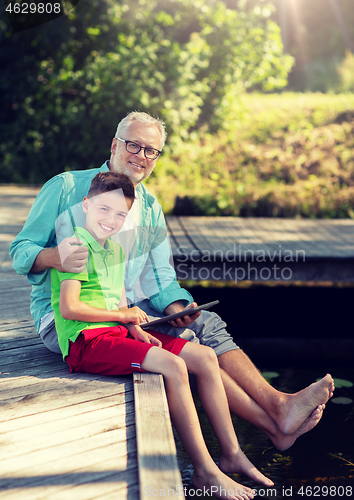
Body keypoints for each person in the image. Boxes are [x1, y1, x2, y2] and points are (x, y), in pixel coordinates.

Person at [10, 111, 334, 453]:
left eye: (151, 151)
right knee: (192, 343)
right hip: (69, 318)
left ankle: (277, 415)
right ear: (114, 145)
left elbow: (162, 277)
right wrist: (54, 256)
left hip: (123, 309)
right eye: (133, 145)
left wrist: (178, 308)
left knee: (204, 322)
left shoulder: (149, 208)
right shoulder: (68, 187)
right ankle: (275, 419)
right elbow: (21, 250)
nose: (141, 156)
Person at [51, 170, 275, 499]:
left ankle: (232, 454)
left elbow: (117, 300)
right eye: (103, 209)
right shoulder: (74, 248)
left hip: (117, 333)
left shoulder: (113, 249)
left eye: (120, 214)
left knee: (204, 355)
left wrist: (135, 328)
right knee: (174, 366)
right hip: (87, 343)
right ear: (86, 205)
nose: (110, 220)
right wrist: (121, 316)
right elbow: (70, 307)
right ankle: (205, 471)